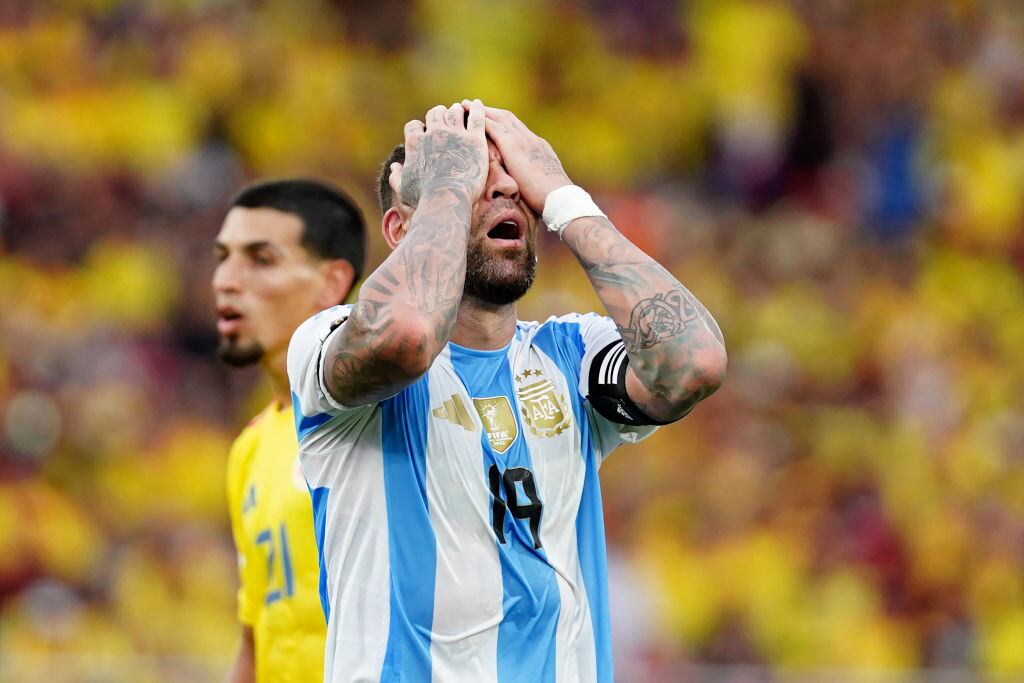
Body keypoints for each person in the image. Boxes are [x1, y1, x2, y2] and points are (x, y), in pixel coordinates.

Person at [287, 100, 727, 682]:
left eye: (516, 182)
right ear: (401, 228)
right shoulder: (330, 340)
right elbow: (409, 336)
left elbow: (694, 362)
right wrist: (447, 186)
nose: (506, 191)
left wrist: (565, 198)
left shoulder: (572, 356)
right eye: (475, 183)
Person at [214, 179, 366, 683]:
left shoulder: (376, 421)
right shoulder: (250, 448)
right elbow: (257, 638)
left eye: (261, 259)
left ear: (331, 282)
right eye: (222, 258)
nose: (226, 281)